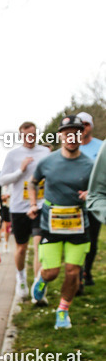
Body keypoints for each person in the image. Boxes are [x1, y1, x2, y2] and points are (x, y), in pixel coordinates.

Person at [29, 115, 94, 328]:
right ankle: (42, 279)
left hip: (78, 223)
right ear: (60, 136)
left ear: (81, 135)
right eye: (67, 133)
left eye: (76, 133)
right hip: (51, 223)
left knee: (73, 271)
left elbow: (99, 190)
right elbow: (33, 183)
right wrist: (32, 204)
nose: (72, 137)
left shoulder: (90, 164)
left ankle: (63, 310)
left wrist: (90, 194)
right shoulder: (47, 161)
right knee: (52, 272)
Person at [0, 123, 50, 298]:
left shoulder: (45, 152)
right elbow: (2, 181)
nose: (31, 137)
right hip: (19, 207)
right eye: (27, 135)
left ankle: (39, 286)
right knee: (21, 248)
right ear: (21, 136)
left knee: (39, 246)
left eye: (34, 134)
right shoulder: (13, 155)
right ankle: (20, 277)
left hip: (40, 205)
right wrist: (20, 170)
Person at [77, 113, 103, 286]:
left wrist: (92, 191)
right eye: (80, 124)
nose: (83, 127)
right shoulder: (71, 147)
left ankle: (87, 271)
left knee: (92, 240)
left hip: (94, 202)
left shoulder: (101, 147)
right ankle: (77, 273)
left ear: (91, 126)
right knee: (77, 240)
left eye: (86, 124)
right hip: (75, 203)